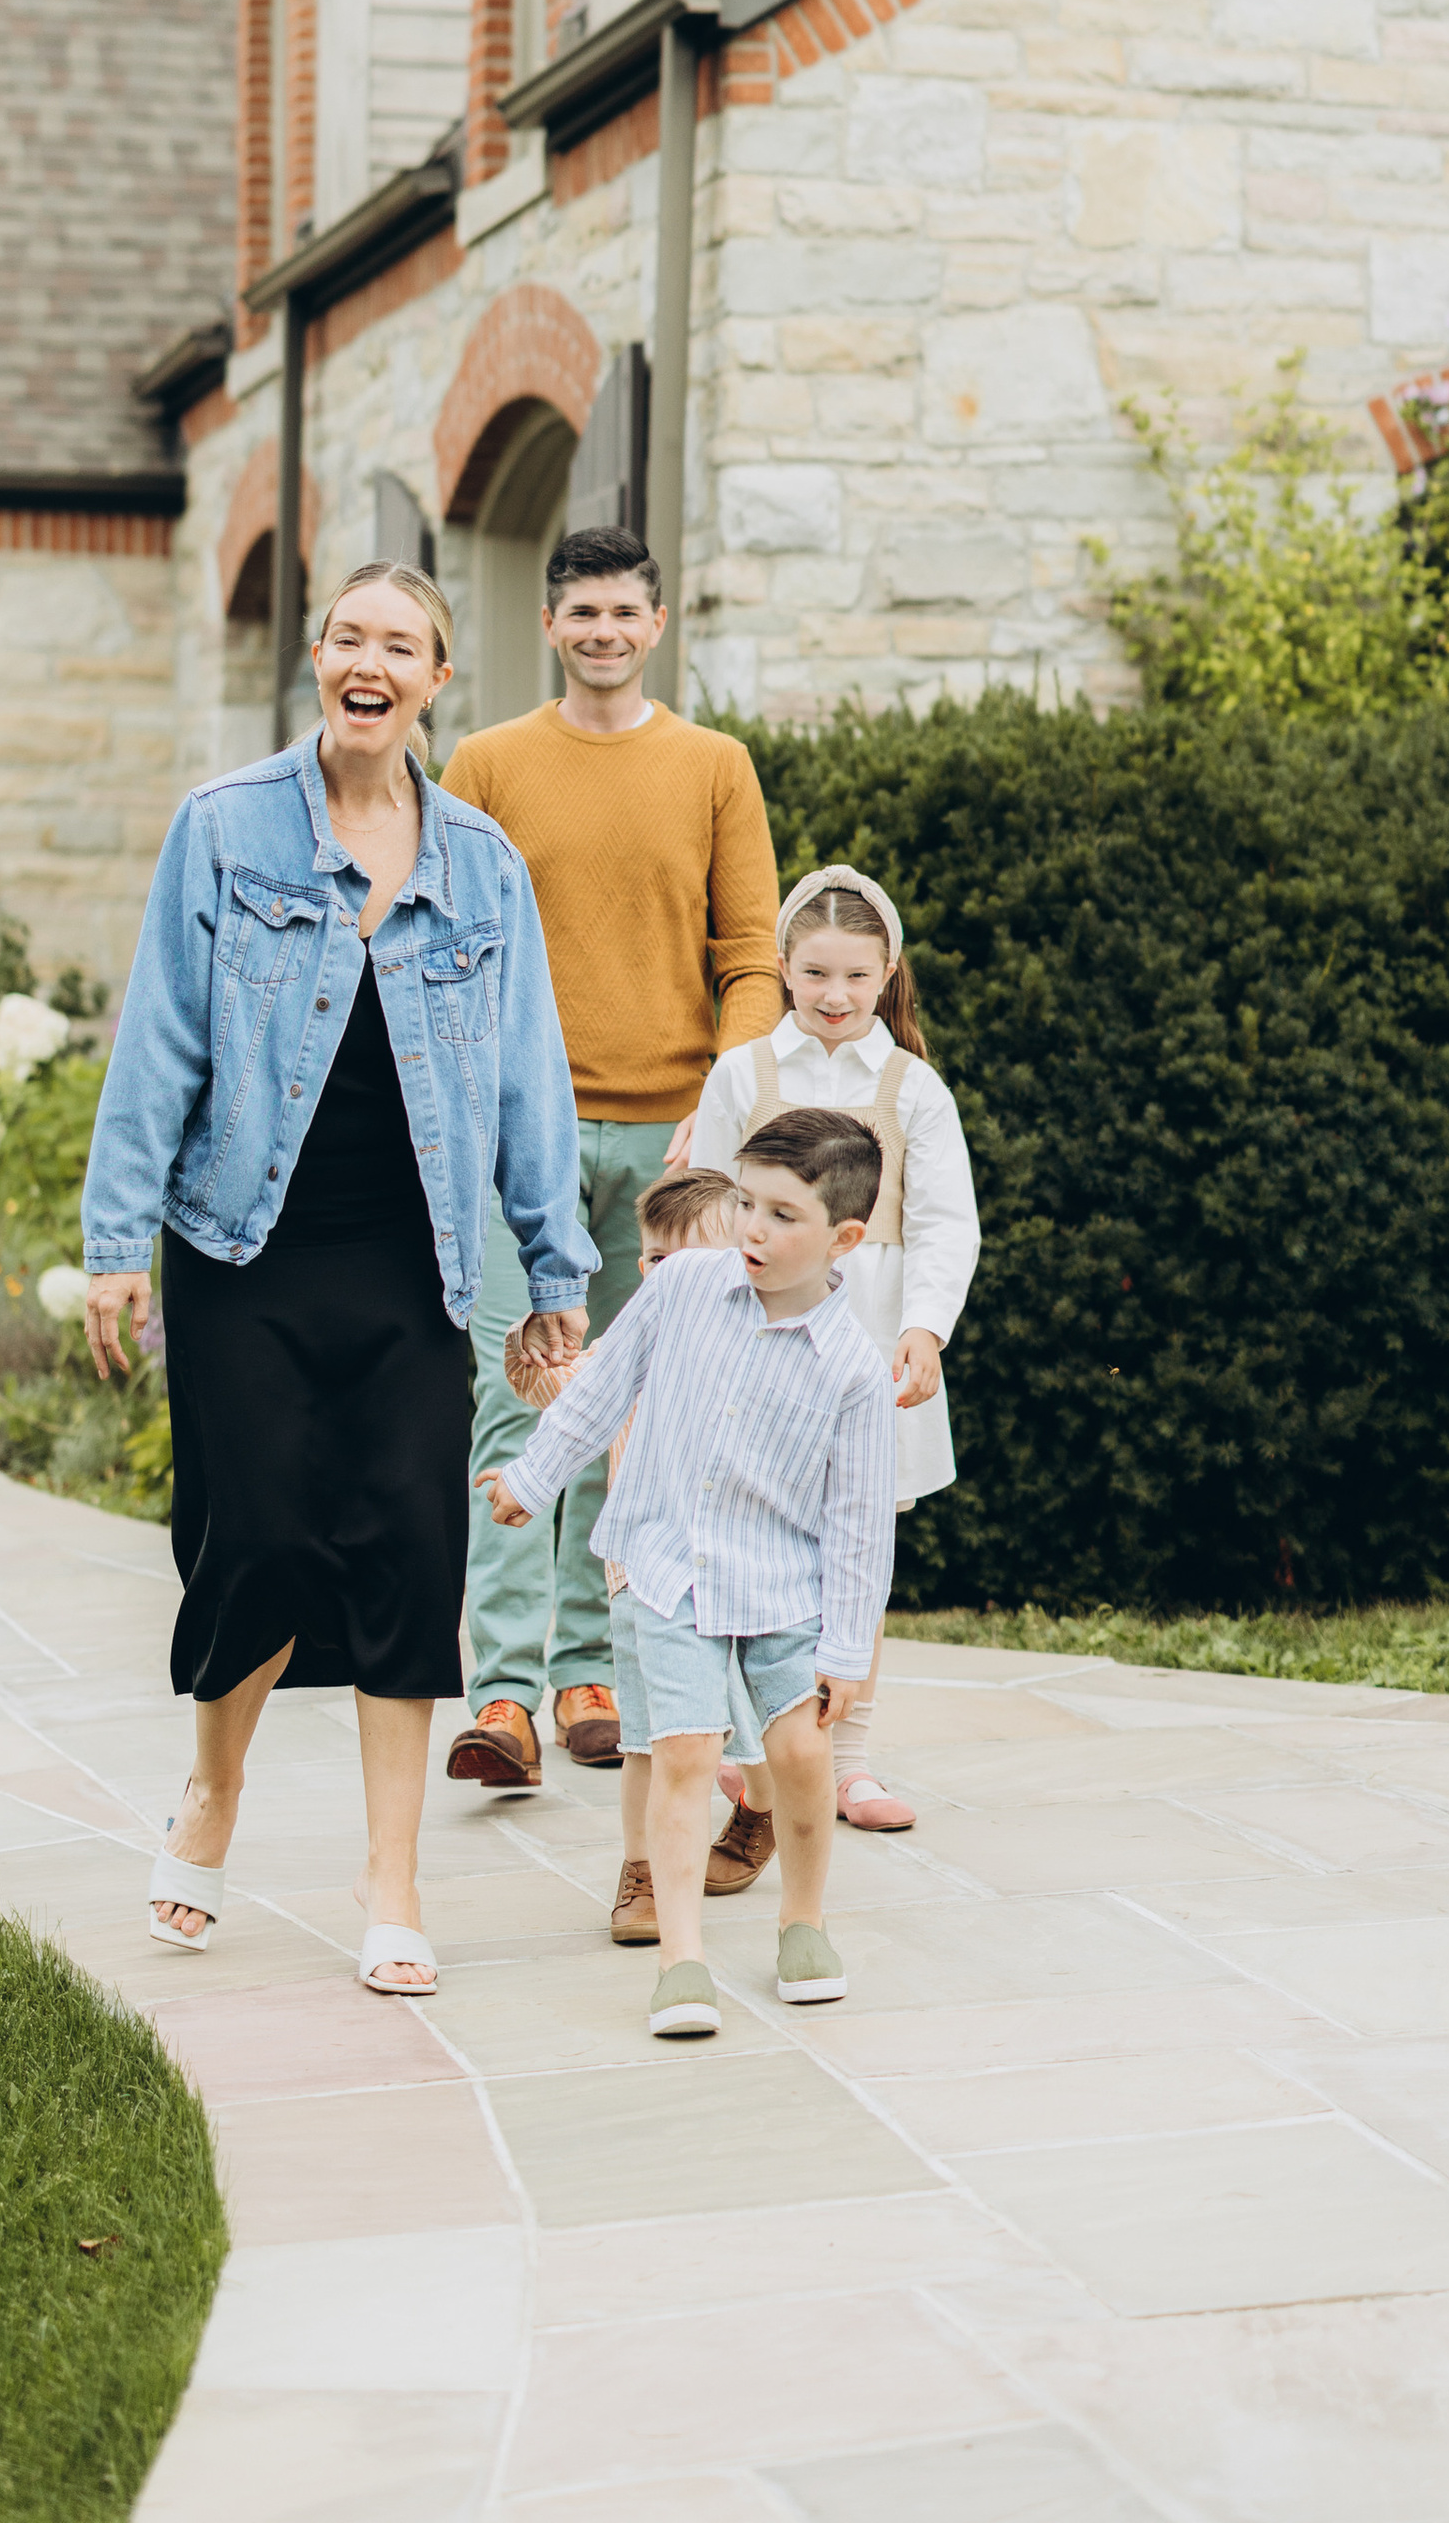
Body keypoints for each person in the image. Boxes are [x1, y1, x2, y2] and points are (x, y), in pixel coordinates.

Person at [80, 560, 592, 1998]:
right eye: (350, 637)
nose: (372, 662)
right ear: (318, 659)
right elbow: (161, 1044)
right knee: (254, 1542)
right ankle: (215, 1789)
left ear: (438, 682)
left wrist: (552, 1266)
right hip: (241, 1245)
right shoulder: (226, 831)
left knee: (407, 1556)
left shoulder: (482, 864)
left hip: (411, 1252)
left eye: (403, 646)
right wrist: (120, 1244)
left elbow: (526, 1083)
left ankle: (393, 1877)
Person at [437, 524, 783, 1793]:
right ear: (548, 625)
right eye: (580, 613)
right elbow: (441, 943)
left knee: (629, 1406)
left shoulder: (712, 767)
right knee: (514, 1391)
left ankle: (589, 1669)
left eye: (622, 613)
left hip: (669, 1145)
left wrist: (717, 1103)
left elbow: (753, 958)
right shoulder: (484, 765)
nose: (601, 632)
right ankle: (502, 1698)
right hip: (507, 1139)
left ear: (656, 624)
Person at [480, 1107, 894, 2038]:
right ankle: (682, 1959)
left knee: (797, 1756)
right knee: (687, 1753)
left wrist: (845, 1648)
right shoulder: (683, 1290)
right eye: (747, 1203)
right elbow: (601, 1388)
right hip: (666, 1569)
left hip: (785, 1588)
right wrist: (532, 1478)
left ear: (845, 1236)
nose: (753, 1228)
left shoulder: (854, 1373)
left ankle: (804, 1924)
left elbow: (862, 1527)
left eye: (784, 1215)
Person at [685, 864, 979, 1835]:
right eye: (815, 974)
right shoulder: (745, 1077)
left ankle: (848, 1762)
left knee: (854, 1549)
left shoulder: (910, 1088)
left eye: (857, 976)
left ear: (888, 971)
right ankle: (743, 1750)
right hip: (758, 1346)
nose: (835, 996)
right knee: (748, 1544)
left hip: (865, 1347)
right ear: (781, 966)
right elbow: (705, 1209)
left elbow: (944, 1222)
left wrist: (922, 1327)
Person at [502, 1162, 778, 1938]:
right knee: (648, 1739)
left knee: (751, 1722)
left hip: (742, 1578)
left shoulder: (763, 1352)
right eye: (654, 1258)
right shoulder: (628, 1354)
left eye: (686, 1260)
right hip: (643, 1580)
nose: (664, 1275)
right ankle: (644, 1874)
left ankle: (762, 1804)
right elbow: (544, 1386)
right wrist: (539, 1339)